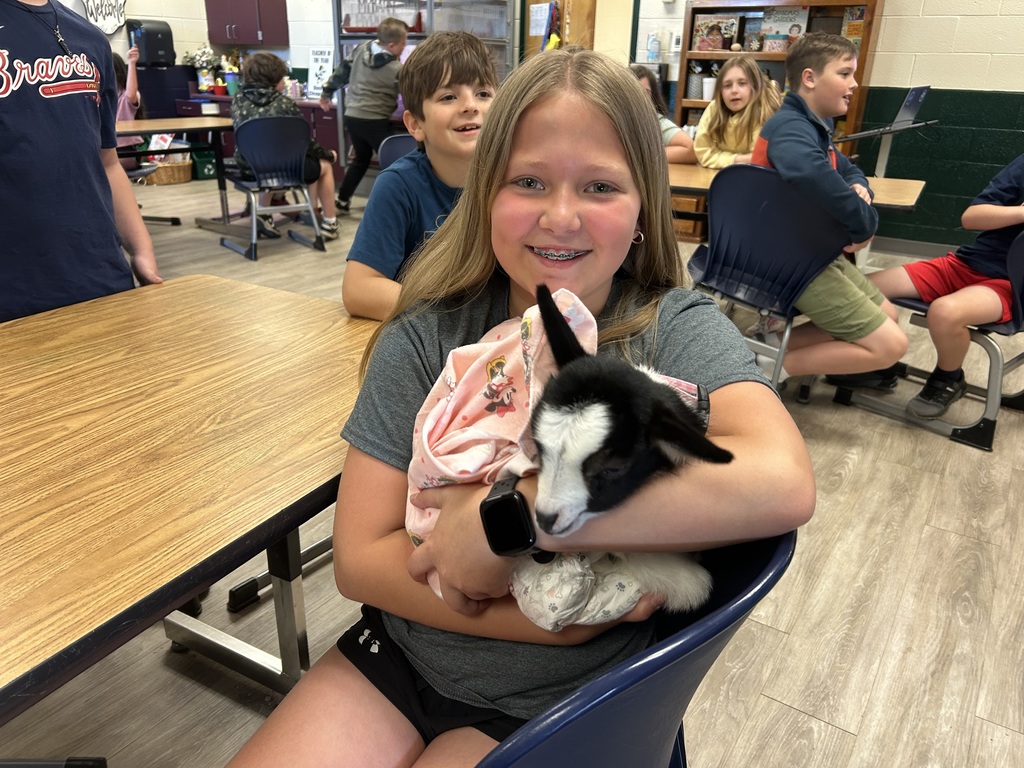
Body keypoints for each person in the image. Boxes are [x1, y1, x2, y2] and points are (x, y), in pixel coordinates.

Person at [226, 47, 815, 767]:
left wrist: (515, 518)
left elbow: (781, 479)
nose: (560, 217)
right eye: (528, 181)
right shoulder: (426, 334)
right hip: (404, 658)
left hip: (564, 700)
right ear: (485, 196)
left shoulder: (671, 327)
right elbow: (359, 560)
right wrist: (558, 623)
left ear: (642, 210)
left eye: (600, 186)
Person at [750, 33, 907, 385]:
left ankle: (766, 347)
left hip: (811, 253)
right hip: (792, 261)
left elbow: (846, 169)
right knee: (890, 346)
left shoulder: (815, 126)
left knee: (888, 315)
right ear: (809, 78)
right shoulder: (791, 126)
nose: (854, 84)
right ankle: (765, 373)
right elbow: (807, 170)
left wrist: (860, 187)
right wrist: (863, 224)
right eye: (844, 74)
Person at [0, 0, 161, 324]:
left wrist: (141, 248)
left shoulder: (89, 38)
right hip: (12, 288)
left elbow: (107, 162)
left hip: (98, 273)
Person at [341, 31, 497, 320]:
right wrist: (453, 317)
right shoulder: (398, 186)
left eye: (483, 94)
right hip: (433, 337)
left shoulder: (513, 181)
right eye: (448, 96)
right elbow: (358, 290)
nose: (471, 106)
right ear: (415, 124)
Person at [865, 154, 1024, 417]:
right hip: (964, 265)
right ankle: (874, 362)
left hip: (1008, 285)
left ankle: (947, 379)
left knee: (945, 312)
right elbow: (972, 217)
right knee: (860, 289)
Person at [232, 52, 340, 240]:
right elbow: (303, 142)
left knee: (266, 156)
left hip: (250, 168)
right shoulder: (285, 104)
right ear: (274, 80)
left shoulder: (238, 99)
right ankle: (330, 222)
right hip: (284, 168)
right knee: (324, 165)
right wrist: (328, 154)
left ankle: (264, 214)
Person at [320, 17, 408, 216]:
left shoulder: (361, 49)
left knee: (361, 158)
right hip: (374, 119)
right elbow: (411, 95)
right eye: (403, 43)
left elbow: (342, 72)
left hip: (352, 116)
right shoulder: (397, 69)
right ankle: (392, 206)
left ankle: (342, 201)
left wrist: (326, 92)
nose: (404, 47)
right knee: (394, 162)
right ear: (392, 45)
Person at [694, 57, 781, 169]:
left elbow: (760, 159)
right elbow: (703, 152)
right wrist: (737, 160)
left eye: (742, 83)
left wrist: (722, 159)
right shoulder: (714, 108)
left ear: (755, 86)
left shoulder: (764, 112)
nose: (734, 90)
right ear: (720, 91)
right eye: (727, 85)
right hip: (719, 177)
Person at [629, 64, 697, 165]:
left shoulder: (655, 121)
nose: (638, 98)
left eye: (645, 93)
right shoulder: (610, 118)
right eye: (632, 91)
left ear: (653, 97)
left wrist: (641, 157)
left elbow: (690, 150)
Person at [113, 45, 145, 170]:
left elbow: (131, 94)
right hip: (108, 149)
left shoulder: (126, 95)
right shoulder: (102, 96)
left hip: (126, 150)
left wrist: (132, 63)